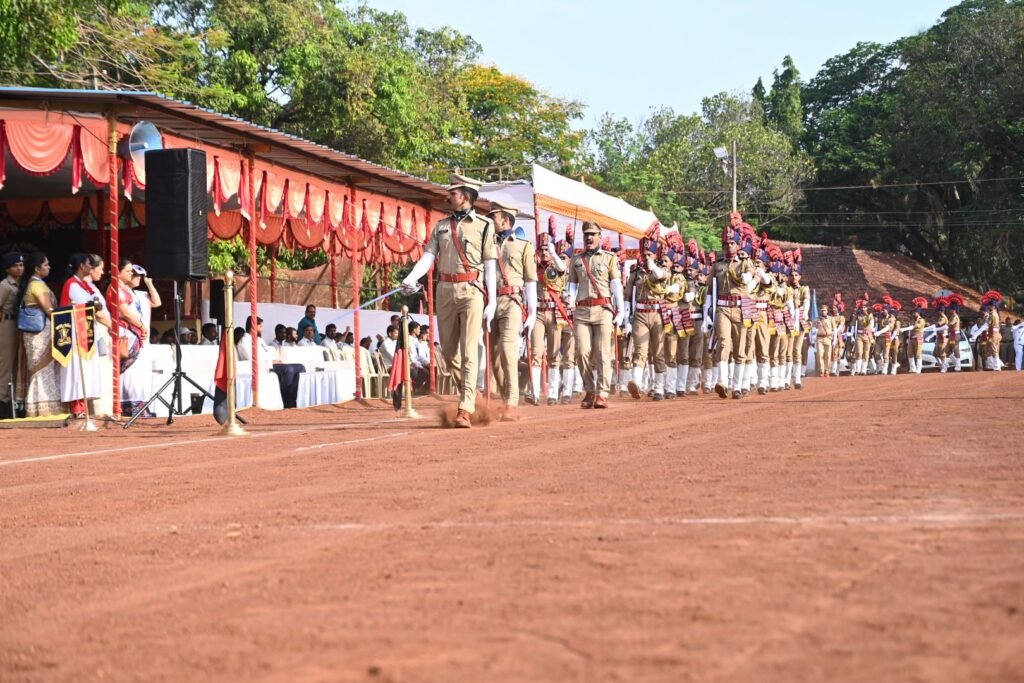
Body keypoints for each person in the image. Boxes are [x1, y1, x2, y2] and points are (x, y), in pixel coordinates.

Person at [401, 174, 496, 428]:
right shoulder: (441, 226)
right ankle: (472, 395)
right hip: (444, 289)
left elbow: (490, 265)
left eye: (452, 193)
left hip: (472, 290)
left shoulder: (485, 225)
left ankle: (465, 408)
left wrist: (493, 301)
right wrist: (411, 277)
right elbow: (429, 256)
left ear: (465, 196)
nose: (448, 196)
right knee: (449, 352)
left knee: (468, 351)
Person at [485, 201, 537, 422]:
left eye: (493, 217)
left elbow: (530, 280)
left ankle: (511, 402)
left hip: (512, 301)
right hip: (490, 301)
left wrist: (532, 313)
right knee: (494, 356)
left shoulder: (524, 246)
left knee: (508, 349)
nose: (490, 220)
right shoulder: (486, 243)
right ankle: (505, 394)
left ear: (505, 219)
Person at [568, 221, 624, 408]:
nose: (589, 238)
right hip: (582, 311)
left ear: (600, 236)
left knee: (602, 352)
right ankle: (589, 390)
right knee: (581, 351)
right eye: (586, 235)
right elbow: (572, 285)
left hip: (603, 310)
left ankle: (602, 393)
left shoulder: (609, 258)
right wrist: (569, 298)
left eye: (593, 234)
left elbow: (616, 285)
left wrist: (621, 310)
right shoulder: (576, 260)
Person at [59, 253, 112, 418]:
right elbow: (90, 308)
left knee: (86, 368)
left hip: (86, 330)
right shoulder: (72, 284)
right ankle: (77, 407)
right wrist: (110, 323)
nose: (91, 267)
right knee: (77, 368)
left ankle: (83, 406)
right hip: (75, 333)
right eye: (89, 264)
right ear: (82, 266)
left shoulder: (84, 285)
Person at [709, 228, 754, 399]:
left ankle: (737, 386)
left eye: (732, 243)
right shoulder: (718, 265)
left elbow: (752, 272)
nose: (729, 246)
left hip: (741, 308)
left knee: (740, 347)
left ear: (738, 245)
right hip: (723, 308)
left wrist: (748, 276)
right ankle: (722, 382)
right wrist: (708, 311)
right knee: (723, 343)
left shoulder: (745, 262)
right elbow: (710, 289)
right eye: (726, 243)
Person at [113, 260, 162, 417]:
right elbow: (125, 313)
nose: (138, 278)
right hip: (128, 333)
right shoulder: (120, 290)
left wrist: (149, 283)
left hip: (140, 336)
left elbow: (157, 302)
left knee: (139, 372)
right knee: (128, 372)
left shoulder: (139, 294)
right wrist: (141, 327)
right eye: (135, 275)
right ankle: (126, 405)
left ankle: (139, 405)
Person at [15, 252, 61, 417]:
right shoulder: (37, 285)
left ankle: (43, 408)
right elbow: (49, 310)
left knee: (42, 369)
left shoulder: (34, 283)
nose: (49, 267)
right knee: (41, 369)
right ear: (37, 268)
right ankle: (43, 410)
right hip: (40, 332)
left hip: (38, 332)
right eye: (46, 264)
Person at [625, 241, 669, 400]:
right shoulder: (636, 272)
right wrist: (626, 318)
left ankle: (659, 388)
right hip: (640, 314)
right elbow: (628, 296)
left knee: (658, 352)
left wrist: (653, 266)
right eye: (644, 255)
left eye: (649, 254)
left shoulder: (662, 269)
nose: (646, 257)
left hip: (658, 314)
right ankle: (636, 382)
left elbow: (661, 277)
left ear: (655, 255)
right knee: (639, 351)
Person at [0, 251, 25, 418]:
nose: (19, 268)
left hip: (18, 325)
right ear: (7, 269)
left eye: (21, 265)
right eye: (15, 266)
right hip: (7, 325)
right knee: (6, 365)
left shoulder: (21, 284)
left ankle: (13, 402)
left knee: (18, 365)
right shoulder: (4, 285)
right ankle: (2, 400)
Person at [786, 266, 810, 389]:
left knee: (797, 350)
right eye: (791, 275)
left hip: (800, 322)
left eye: (796, 275)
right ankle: (786, 380)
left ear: (800, 277)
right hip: (788, 321)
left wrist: (805, 312)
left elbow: (806, 301)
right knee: (788, 350)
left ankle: (797, 379)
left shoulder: (804, 288)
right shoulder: (786, 288)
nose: (794, 277)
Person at [850, 298, 876, 376]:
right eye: (862, 307)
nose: (863, 308)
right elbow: (853, 325)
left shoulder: (870, 315)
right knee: (859, 352)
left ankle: (863, 370)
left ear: (867, 308)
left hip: (867, 335)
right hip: (859, 335)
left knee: (866, 353)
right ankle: (857, 370)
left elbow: (871, 324)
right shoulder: (858, 315)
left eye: (864, 307)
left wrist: (868, 328)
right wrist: (852, 335)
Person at [907, 297, 928, 374]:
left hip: (918, 338)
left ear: (918, 313)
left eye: (915, 312)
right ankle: (912, 368)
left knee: (918, 353)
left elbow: (916, 326)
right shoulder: (913, 320)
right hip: (912, 338)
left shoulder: (921, 320)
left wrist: (912, 326)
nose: (914, 314)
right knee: (910, 353)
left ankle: (919, 368)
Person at [814, 304, 835, 377]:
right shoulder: (817, 319)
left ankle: (827, 370)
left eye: (824, 310)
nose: (823, 312)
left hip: (828, 338)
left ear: (827, 311)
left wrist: (834, 340)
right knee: (820, 355)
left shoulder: (831, 319)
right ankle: (821, 370)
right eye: (822, 310)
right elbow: (814, 329)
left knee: (828, 355)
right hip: (819, 338)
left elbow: (834, 330)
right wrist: (813, 338)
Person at [931, 296, 950, 373]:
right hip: (939, 337)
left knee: (942, 353)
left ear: (941, 311)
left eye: (938, 311)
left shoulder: (943, 318)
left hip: (943, 337)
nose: (937, 312)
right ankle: (944, 365)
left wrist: (932, 325)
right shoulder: (940, 317)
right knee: (935, 353)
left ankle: (944, 367)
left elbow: (938, 324)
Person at [946, 294, 964, 372]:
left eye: (950, 309)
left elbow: (950, 324)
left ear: (953, 310)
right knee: (947, 350)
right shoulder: (951, 317)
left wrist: (946, 325)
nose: (949, 311)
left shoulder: (955, 317)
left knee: (956, 350)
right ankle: (956, 363)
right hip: (951, 335)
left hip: (955, 335)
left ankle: (958, 366)